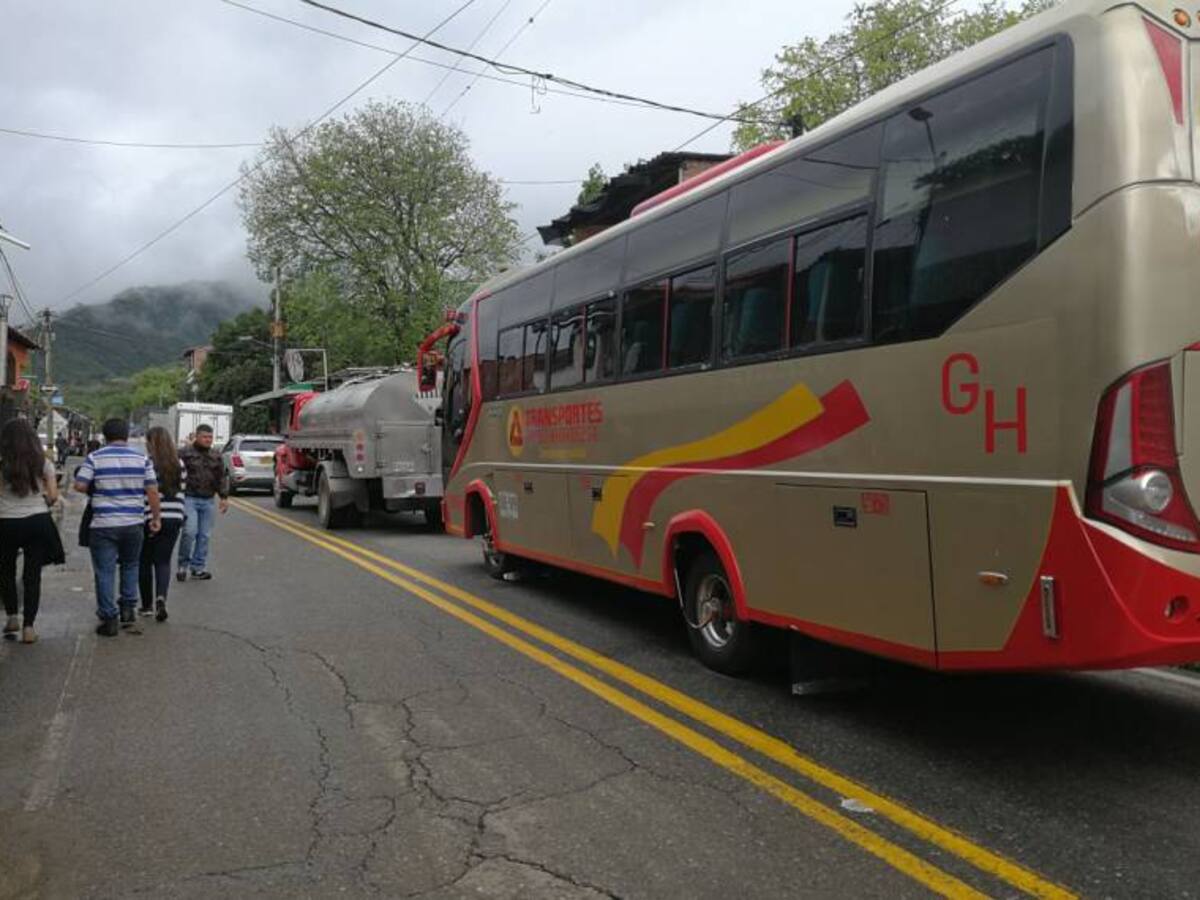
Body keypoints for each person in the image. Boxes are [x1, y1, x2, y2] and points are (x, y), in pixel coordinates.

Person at [74, 419, 161, 637]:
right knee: (130, 566)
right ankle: (128, 611)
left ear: (105, 436)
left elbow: (80, 485)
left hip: (103, 523)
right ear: (127, 435)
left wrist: (98, 487)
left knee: (105, 571)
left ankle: (109, 618)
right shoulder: (142, 459)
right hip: (133, 523)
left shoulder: (95, 457)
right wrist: (156, 517)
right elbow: (152, 490)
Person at [0, 418, 62, 644]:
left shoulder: (2, 463)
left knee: (5, 570)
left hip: (6, 522)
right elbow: (53, 496)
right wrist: (41, 501)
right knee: (32, 575)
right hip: (37, 521)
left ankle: (12, 617)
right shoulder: (43, 463)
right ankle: (28, 628)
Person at [139, 427, 185, 622]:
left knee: (145, 560)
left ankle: (147, 605)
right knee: (163, 560)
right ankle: (161, 598)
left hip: (152, 515)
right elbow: (183, 489)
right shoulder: (179, 464)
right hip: (174, 516)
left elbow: (146, 492)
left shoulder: (146, 463)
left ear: (152, 443)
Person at [177, 424, 228, 581]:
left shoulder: (216, 455)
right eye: (205, 437)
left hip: (208, 499)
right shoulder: (184, 453)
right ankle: (182, 565)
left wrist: (224, 497)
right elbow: (175, 473)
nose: (208, 440)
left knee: (204, 535)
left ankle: (198, 568)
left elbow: (221, 477)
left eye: (210, 437)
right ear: (197, 436)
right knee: (189, 532)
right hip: (189, 498)